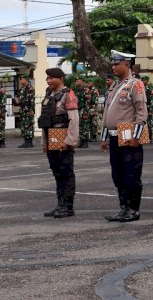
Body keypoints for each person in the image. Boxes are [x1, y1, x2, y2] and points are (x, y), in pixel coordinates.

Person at [100, 51, 149, 223]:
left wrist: (136, 136)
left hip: (128, 136)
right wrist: (104, 137)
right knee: (118, 174)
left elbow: (141, 112)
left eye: (116, 64)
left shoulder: (136, 85)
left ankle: (133, 210)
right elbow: (107, 114)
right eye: (112, 64)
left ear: (126, 65)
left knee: (131, 174)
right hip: (114, 136)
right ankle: (123, 208)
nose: (113, 67)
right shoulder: (114, 86)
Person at [40, 68, 80, 218]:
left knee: (66, 173)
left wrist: (69, 140)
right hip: (51, 138)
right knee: (57, 173)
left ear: (61, 78)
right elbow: (45, 120)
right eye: (47, 78)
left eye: (52, 78)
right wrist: (45, 142)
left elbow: (74, 119)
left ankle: (68, 207)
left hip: (63, 138)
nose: (49, 81)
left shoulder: (68, 95)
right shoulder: (48, 95)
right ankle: (60, 204)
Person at [16, 75, 36, 148]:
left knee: (29, 125)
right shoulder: (22, 89)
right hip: (23, 110)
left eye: (21, 79)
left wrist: (31, 110)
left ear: (25, 79)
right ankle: (25, 141)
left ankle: (29, 141)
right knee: (23, 126)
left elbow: (32, 100)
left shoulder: (30, 89)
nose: (20, 81)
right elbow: (20, 99)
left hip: (28, 110)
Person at [74, 77, 91, 148]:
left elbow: (88, 102)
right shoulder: (77, 91)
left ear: (82, 81)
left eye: (78, 81)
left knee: (85, 126)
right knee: (80, 126)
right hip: (78, 110)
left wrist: (85, 112)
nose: (76, 83)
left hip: (84, 110)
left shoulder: (86, 90)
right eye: (76, 81)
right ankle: (81, 141)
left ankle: (85, 142)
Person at [142, 75, 153, 143]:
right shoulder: (139, 88)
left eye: (145, 80)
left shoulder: (150, 89)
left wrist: (151, 110)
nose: (143, 81)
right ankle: (144, 138)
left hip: (148, 108)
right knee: (142, 124)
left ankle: (150, 138)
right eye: (142, 80)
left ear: (147, 81)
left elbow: (152, 100)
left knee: (149, 124)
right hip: (142, 109)